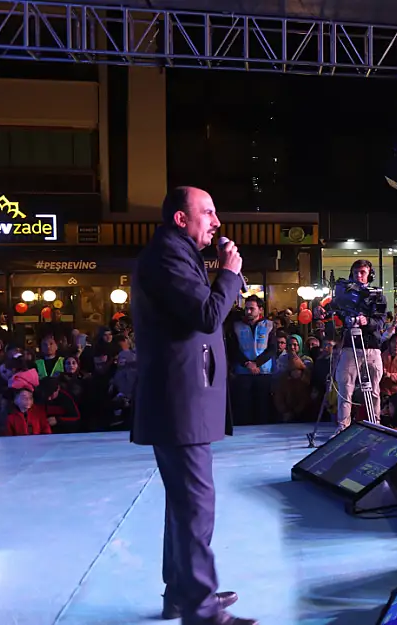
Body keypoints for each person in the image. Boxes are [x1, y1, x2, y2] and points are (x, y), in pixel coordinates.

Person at [132, 187, 254, 625]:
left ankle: (183, 595)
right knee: (196, 505)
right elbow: (206, 315)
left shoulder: (177, 254)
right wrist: (230, 274)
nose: (217, 222)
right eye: (208, 212)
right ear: (181, 219)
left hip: (183, 401)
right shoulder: (167, 255)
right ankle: (200, 611)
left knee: (184, 504)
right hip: (178, 403)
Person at [332, 259, 387, 429]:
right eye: (356, 272)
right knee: (345, 389)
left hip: (371, 346)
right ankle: (343, 428)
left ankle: (374, 427)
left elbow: (380, 323)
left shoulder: (378, 296)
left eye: (362, 272)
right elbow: (336, 312)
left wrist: (366, 321)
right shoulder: (345, 295)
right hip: (349, 346)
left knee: (373, 391)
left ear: (369, 274)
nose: (359, 276)